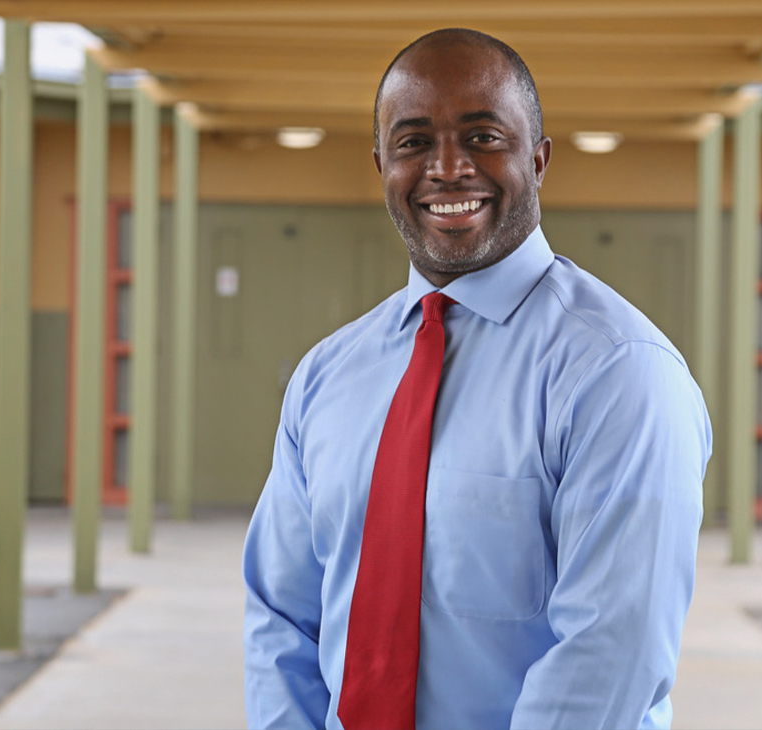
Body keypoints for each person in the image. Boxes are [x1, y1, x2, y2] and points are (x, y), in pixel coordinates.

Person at [243, 28, 710, 730]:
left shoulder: (619, 373)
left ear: (540, 159)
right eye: (413, 142)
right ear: (381, 166)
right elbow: (282, 616)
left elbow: (610, 651)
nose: (448, 167)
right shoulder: (325, 377)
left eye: (483, 136)